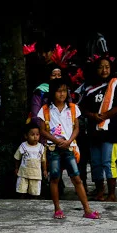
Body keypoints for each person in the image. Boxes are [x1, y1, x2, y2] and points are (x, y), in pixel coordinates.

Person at [36, 79, 99, 220]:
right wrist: (56, 140)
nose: (62, 94)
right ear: (52, 93)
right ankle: (57, 209)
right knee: (55, 178)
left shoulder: (72, 108)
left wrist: (69, 141)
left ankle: (87, 209)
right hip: (53, 147)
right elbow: (42, 130)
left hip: (69, 146)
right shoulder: (45, 110)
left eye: (64, 91)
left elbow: (76, 127)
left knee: (76, 178)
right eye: (59, 91)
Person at [80, 57, 117, 202]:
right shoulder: (88, 88)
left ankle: (111, 194)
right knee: (96, 163)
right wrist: (93, 116)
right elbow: (82, 108)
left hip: (110, 131)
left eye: (107, 67)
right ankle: (100, 192)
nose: (104, 70)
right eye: (100, 67)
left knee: (108, 162)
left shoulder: (116, 84)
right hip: (93, 131)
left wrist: (103, 116)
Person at [14, 121, 47, 196]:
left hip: (36, 174)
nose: (35, 137)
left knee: (34, 192)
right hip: (23, 173)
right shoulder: (23, 146)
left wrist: (44, 170)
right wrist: (16, 168)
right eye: (32, 134)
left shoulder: (41, 147)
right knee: (21, 190)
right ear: (26, 136)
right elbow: (17, 158)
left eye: (37, 134)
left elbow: (43, 160)